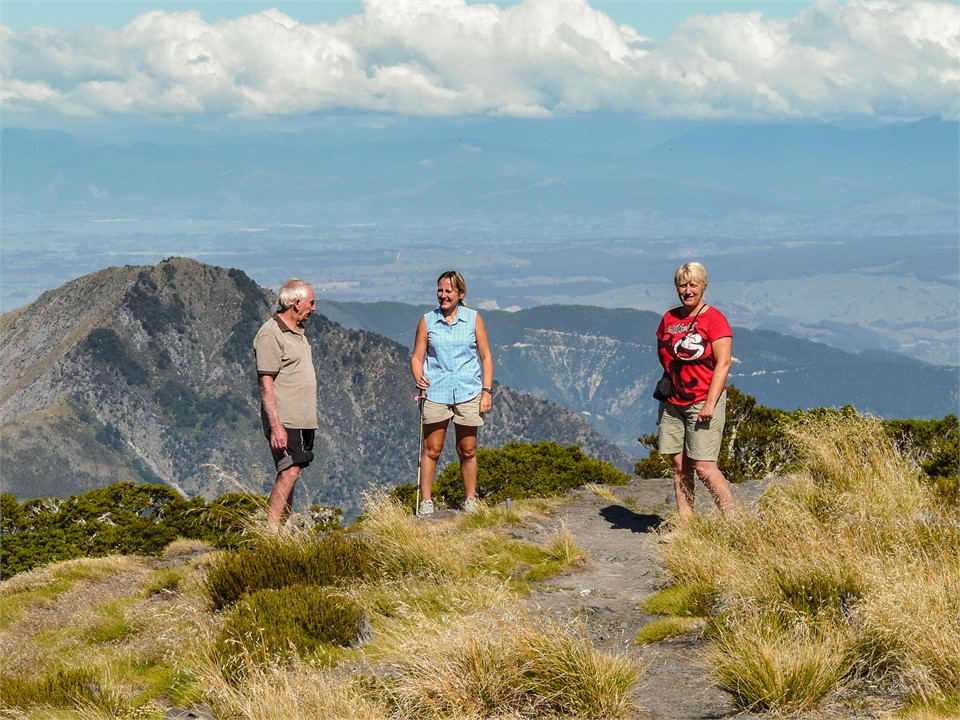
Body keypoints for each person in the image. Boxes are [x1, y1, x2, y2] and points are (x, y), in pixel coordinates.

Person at [656, 262, 735, 522]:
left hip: (702, 400)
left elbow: (723, 364)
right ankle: (686, 524)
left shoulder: (715, 320)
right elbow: (664, 352)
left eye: (693, 284)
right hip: (673, 401)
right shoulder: (669, 318)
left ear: (703, 286)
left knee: (704, 467)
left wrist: (710, 403)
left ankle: (735, 522)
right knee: (679, 465)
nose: (687, 290)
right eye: (682, 284)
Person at [411, 271, 494, 515]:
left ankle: (470, 500)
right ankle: (426, 502)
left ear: (460, 294)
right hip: (436, 392)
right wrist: (418, 377)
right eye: (440, 290)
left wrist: (486, 391)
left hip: (468, 391)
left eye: (448, 291)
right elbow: (417, 357)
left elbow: (486, 356)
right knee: (432, 449)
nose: (443, 296)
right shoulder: (427, 321)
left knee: (468, 449)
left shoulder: (473, 319)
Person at [253, 278, 319, 525]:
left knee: (293, 472)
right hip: (286, 418)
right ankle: (270, 533)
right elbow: (265, 383)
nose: (313, 308)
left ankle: (283, 532)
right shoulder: (271, 334)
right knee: (288, 471)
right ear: (296, 302)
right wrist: (276, 425)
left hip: (301, 419)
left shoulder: (297, 331)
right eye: (311, 303)